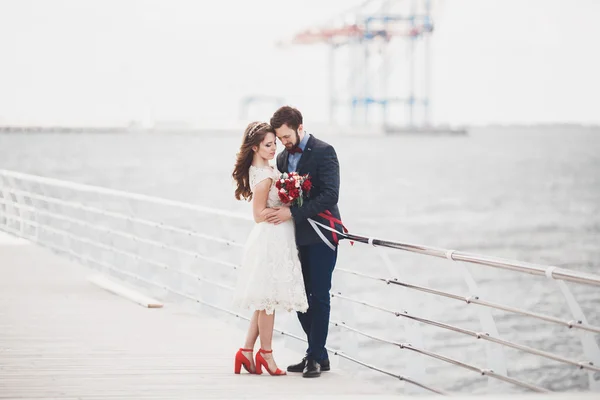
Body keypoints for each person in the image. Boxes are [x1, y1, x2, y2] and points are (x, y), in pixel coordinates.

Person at [267, 106, 343, 378]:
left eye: (286, 137)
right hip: (294, 236)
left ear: (300, 127)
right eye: (280, 138)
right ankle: (318, 354)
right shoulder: (282, 158)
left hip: (322, 234)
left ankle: (314, 356)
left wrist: (294, 211)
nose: (283, 143)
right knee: (300, 297)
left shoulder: (325, 151)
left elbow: (330, 195)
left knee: (319, 296)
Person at [231, 121, 309, 376]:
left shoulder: (266, 169)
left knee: (265, 299)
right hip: (271, 240)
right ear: (255, 147)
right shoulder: (264, 176)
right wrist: (284, 209)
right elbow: (257, 214)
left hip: (275, 237)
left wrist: (288, 196)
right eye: (268, 144)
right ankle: (266, 354)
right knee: (269, 302)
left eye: (274, 143)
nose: (274, 147)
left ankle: (245, 351)